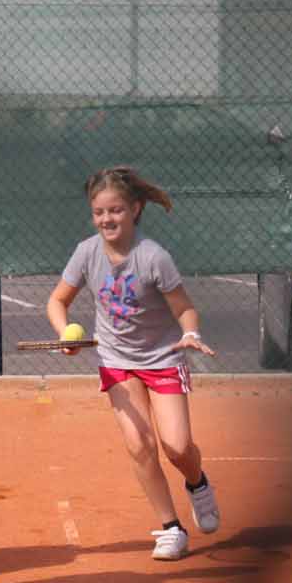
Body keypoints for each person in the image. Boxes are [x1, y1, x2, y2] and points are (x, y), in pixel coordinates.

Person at [45, 165, 222, 561]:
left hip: (163, 358)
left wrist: (191, 333)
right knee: (139, 445)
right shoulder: (86, 253)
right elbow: (57, 300)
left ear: (135, 209)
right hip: (116, 360)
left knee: (177, 446)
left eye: (116, 210)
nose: (106, 219)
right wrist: (65, 333)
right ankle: (171, 528)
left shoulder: (153, 257)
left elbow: (185, 309)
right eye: (99, 212)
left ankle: (197, 482)